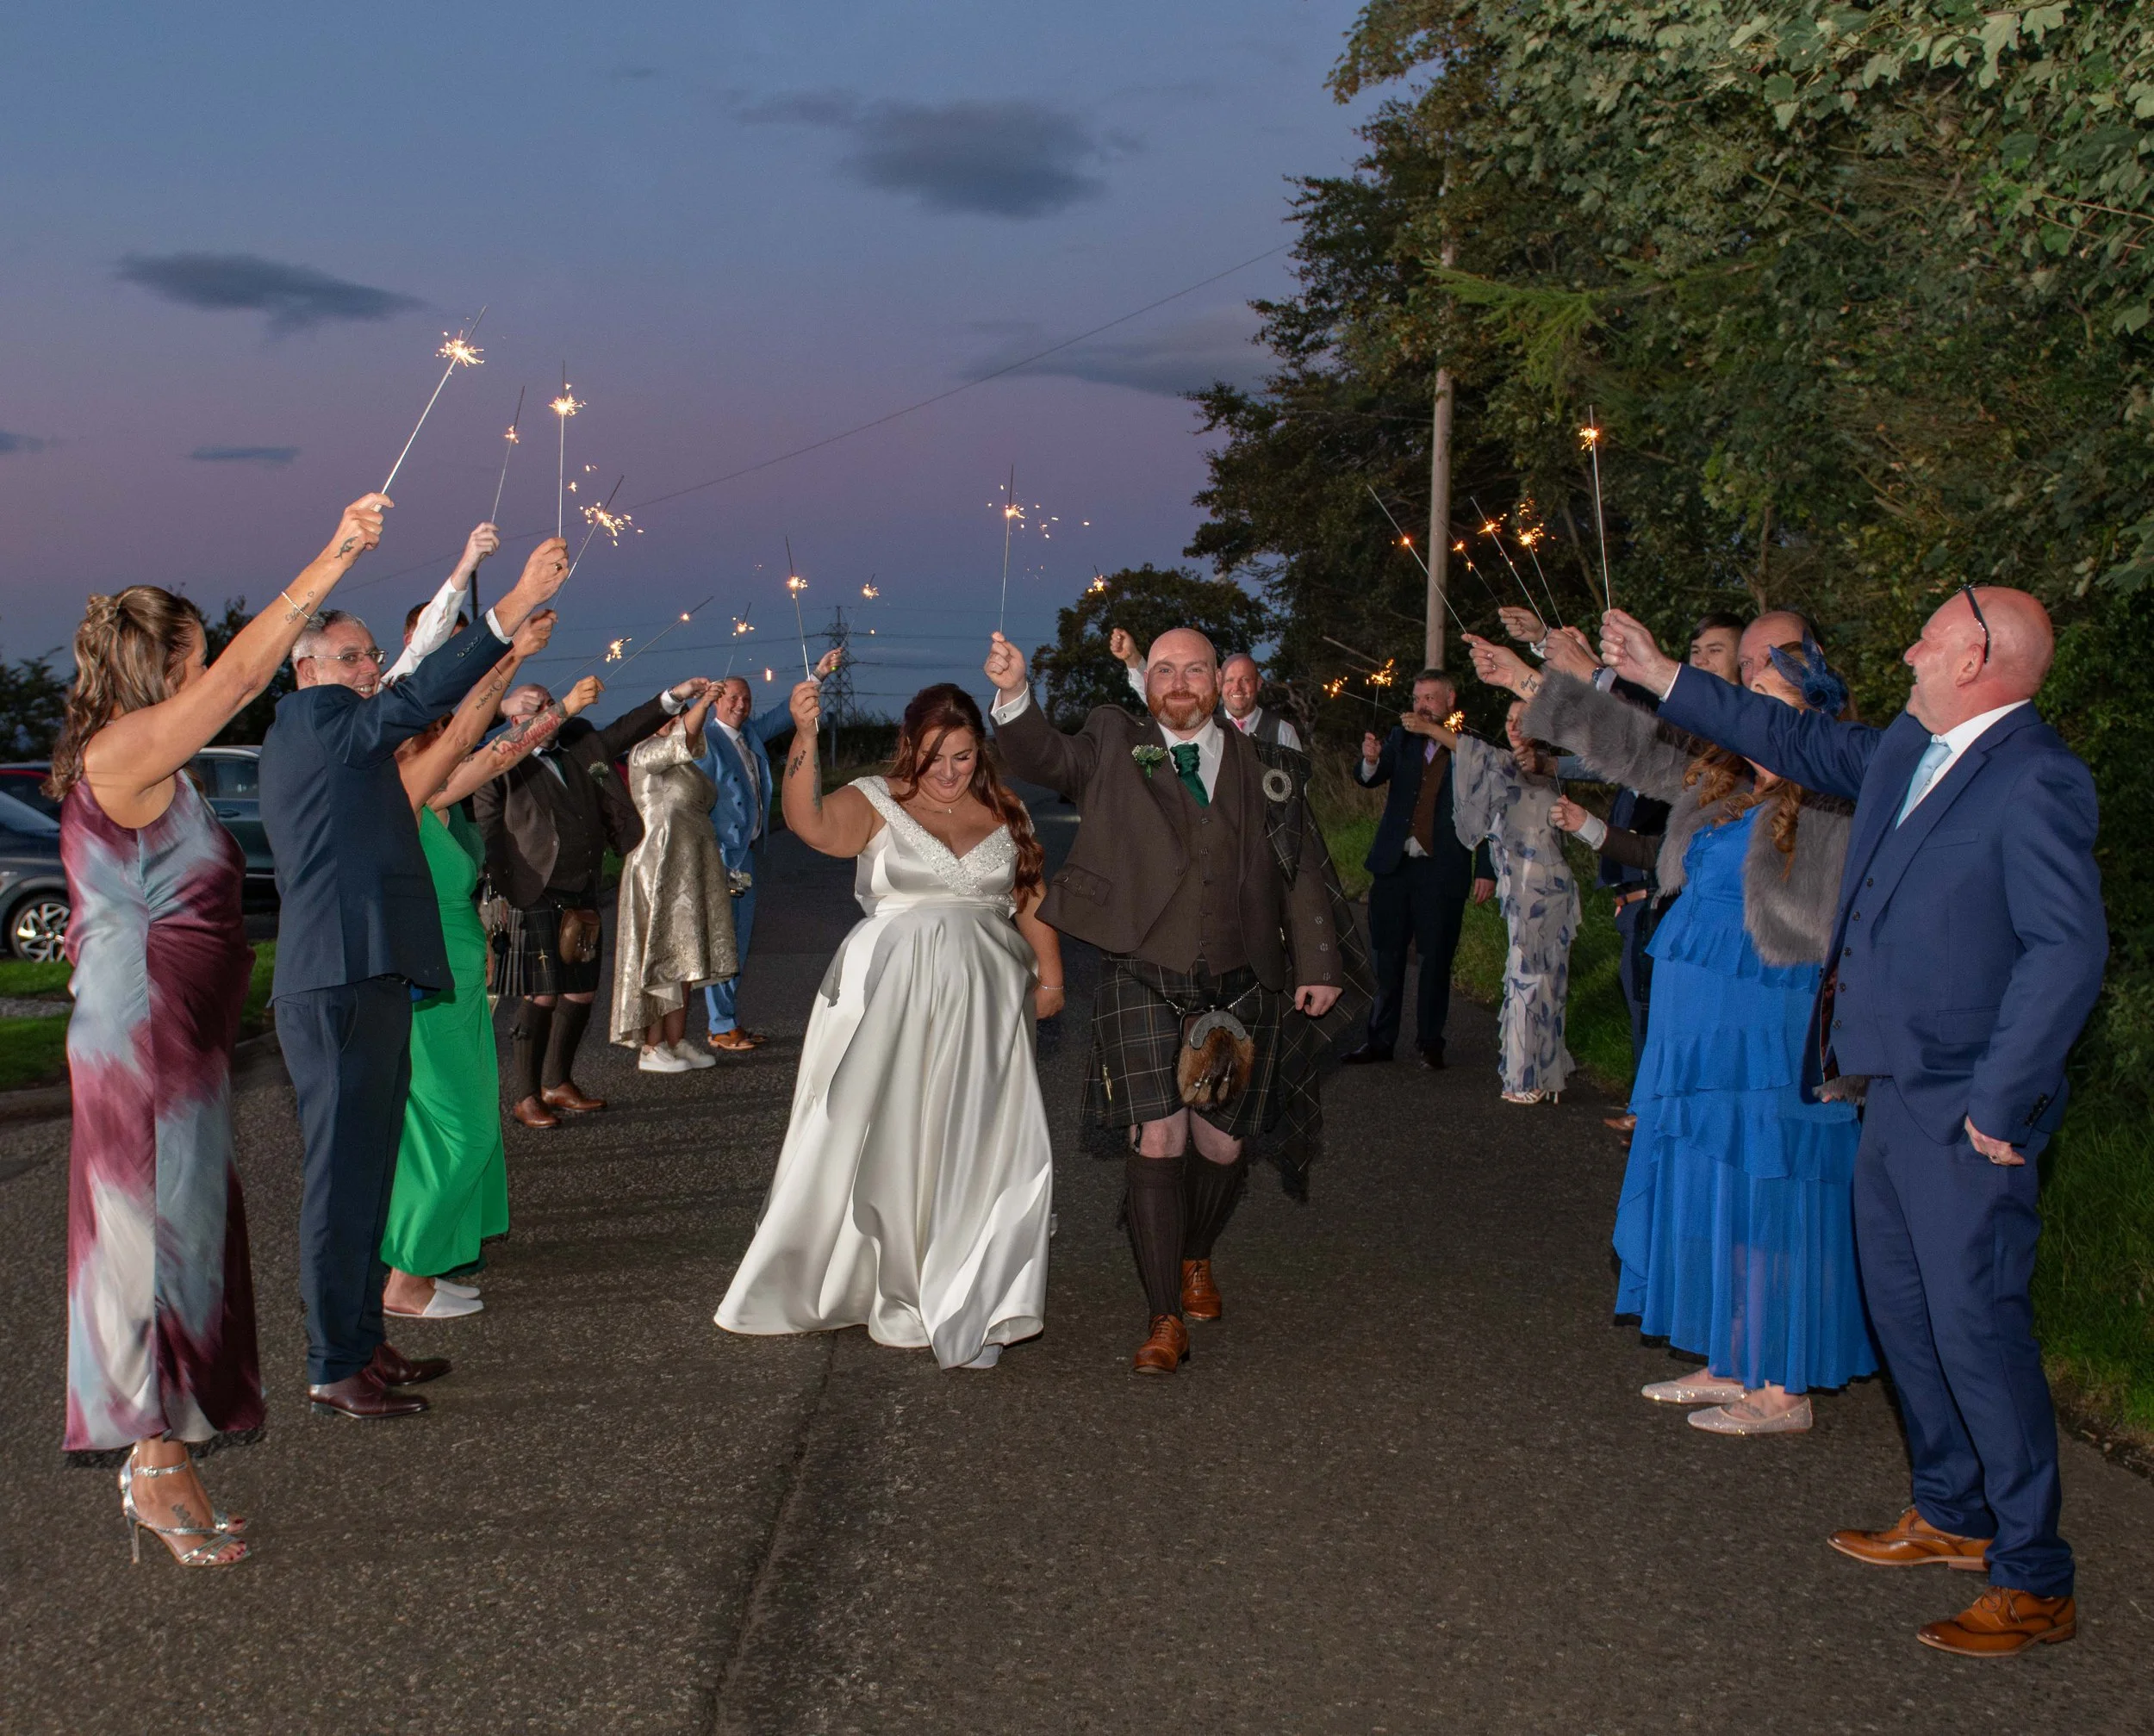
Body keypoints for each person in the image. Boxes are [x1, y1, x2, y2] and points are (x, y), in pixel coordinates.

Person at [1602, 588, 2106, 1658]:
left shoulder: (2036, 775)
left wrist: (2003, 1100)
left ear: (1975, 658)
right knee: (1905, 1313)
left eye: (1929, 637)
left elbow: (2065, 948)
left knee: (1977, 1330)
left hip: (1964, 1106)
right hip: (1882, 1086)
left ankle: (2033, 1577)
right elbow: (1786, 737)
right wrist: (1659, 674)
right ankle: (1952, 1511)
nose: (1910, 649)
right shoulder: (1908, 751)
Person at [49, 494, 390, 1565]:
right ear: (161, 666)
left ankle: (168, 1454)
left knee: (184, 1239)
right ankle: (154, 1469)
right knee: (151, 1246)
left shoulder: (156, 760)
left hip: (178, 1035)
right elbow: (247, 678)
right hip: (145, 1037)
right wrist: (336, 552)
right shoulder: (127, 750)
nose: (208, 673)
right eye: (195, 658)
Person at [1479, 621, 1875, 1436]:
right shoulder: (1723, 781)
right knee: (1713, 1179)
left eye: (1765, 701)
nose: (1745, 716)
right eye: (1744, 700)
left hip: (1770, 1027)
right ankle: (1734, 1351)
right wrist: (1526, 682)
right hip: (1699, 1026)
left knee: (1770, 1187)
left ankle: (1782, 1384)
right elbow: (1630, 747)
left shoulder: (1834, 796)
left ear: (1811, 719)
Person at [987, 628, 1358, 1375]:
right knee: (1158, 1137)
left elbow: (1301, 870)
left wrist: (1319, 960)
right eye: (1164, 669)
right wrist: (1015, 694)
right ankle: (1163, 1316)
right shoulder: (1113, 741)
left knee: (1222, 1144)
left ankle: (1195, 1253)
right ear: (1146, 681)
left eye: (1194, 669)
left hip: (1241, 975)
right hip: (1142, 968)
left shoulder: (1269, 766)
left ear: (1219, 681)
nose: (1179, 682)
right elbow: (1044, 757)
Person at [260, 535, 572, 1422]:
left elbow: (436, 723)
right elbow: (418, 699)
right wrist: (509, 608)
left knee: (368, 1178)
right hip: (335, 981)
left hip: (371, 976)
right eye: (352, 655)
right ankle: (333, 1363)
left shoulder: (344, 739)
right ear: (306, 667)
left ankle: (363, 1341)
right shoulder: (314, 723)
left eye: (371, 654)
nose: (370, 667)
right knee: (339, 1187)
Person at [717, 681, 1061, 1371]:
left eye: (962, 757)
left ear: (980, 752)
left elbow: (1030, 897)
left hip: (987, 1010)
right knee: (891, 1139)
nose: (948, 772)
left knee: (981, 1141)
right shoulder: (875, 800)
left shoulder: (1005, 808)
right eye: (934, 756)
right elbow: (809, 823)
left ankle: (974, 1288)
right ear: (909, 746)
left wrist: (1049, 978)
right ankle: (891, 1281)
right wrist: (805, 736)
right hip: (890, 1005)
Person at [380, 638, 601, 1323]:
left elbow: (495, 753)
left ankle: (431, 1258)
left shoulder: (441, 791)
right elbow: (487, 748)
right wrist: (539, 691)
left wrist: (552, 708)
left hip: (462, 982)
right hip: (425, 986)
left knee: (467, 1121)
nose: (460, 740)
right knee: (460, 1131)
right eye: (445, 731)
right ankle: (403, 1279)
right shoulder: (404, 793)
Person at [476, 675, 710, 1128]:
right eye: (539, 708)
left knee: (580, 989)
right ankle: (526, 1096)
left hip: (582, 886)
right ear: (516, 720)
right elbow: (487, 825)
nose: (552, 712)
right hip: (533, 890)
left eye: (553, 703)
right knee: (541, 994)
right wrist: (499, 888)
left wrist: (674, 696)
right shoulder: (500, 760)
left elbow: (628, 728)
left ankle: (557, 1082)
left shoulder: (580, 747)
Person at [1343, 669, 1494, 1069]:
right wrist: (1371, 760)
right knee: (1386, 957)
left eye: (1429, 697)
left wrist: (1487, 868)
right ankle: (1379, 1041)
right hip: (1394, 866)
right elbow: (1370, 778)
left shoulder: (1471, 747)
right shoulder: (1401, 737)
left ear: (1450, 699)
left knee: (1435, 959)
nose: (1421, 706)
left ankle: (1430, 1042)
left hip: (1443, 869)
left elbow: (1489, 808)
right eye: (1416, 698)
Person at [697, 650, 843, 1053]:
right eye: (733, 698)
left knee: (740, 941)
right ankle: (720, 1025)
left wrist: (819, 675)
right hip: (722, 856)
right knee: (724, 941)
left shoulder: (748, 734)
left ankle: (727, 1021)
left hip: (746, 855)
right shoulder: (706, 742)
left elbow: (786, 713)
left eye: (746, 699)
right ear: (717, 701)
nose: (740, 704)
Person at [1442, 700, 1579, 1104]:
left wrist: (1431, 729)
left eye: (1524, 719)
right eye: (1509, 719)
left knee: (1538, 980)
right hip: (1518, 893)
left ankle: (1529, 1077)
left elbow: (1469, 749)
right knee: (1530, 979)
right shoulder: (1501, 765)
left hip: (1547, 890)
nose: (1514, 726)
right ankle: (1542, 1073)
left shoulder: (1548, 768)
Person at [612, 686, 738, 1072]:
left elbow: (689, 742)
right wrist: (704, 702)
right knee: (661, 953)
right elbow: (682, 738)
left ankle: (675, 1040)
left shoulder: (685, 760)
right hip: (658, 866)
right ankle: (651, 1047)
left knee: (684, 955)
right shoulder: (643, 752)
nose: (675, 722)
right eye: (670, 717)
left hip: (689, 866)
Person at [1111, 629, 1303, 747]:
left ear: (1259, 683)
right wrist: (1132, 657)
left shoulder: (1282, 732)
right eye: (1229, 680)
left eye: (1245, 680)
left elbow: (1298, 792)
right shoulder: (1203, 720)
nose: (1236, 687)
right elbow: (1160, 695)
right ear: (1218, 682)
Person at [383, 521, 499, 683]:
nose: (450, 651)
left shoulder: (461, 690)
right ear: (409, 640)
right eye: (443, 641)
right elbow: (432, 632)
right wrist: (467, 564)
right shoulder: (390, 689)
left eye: (457, 643)